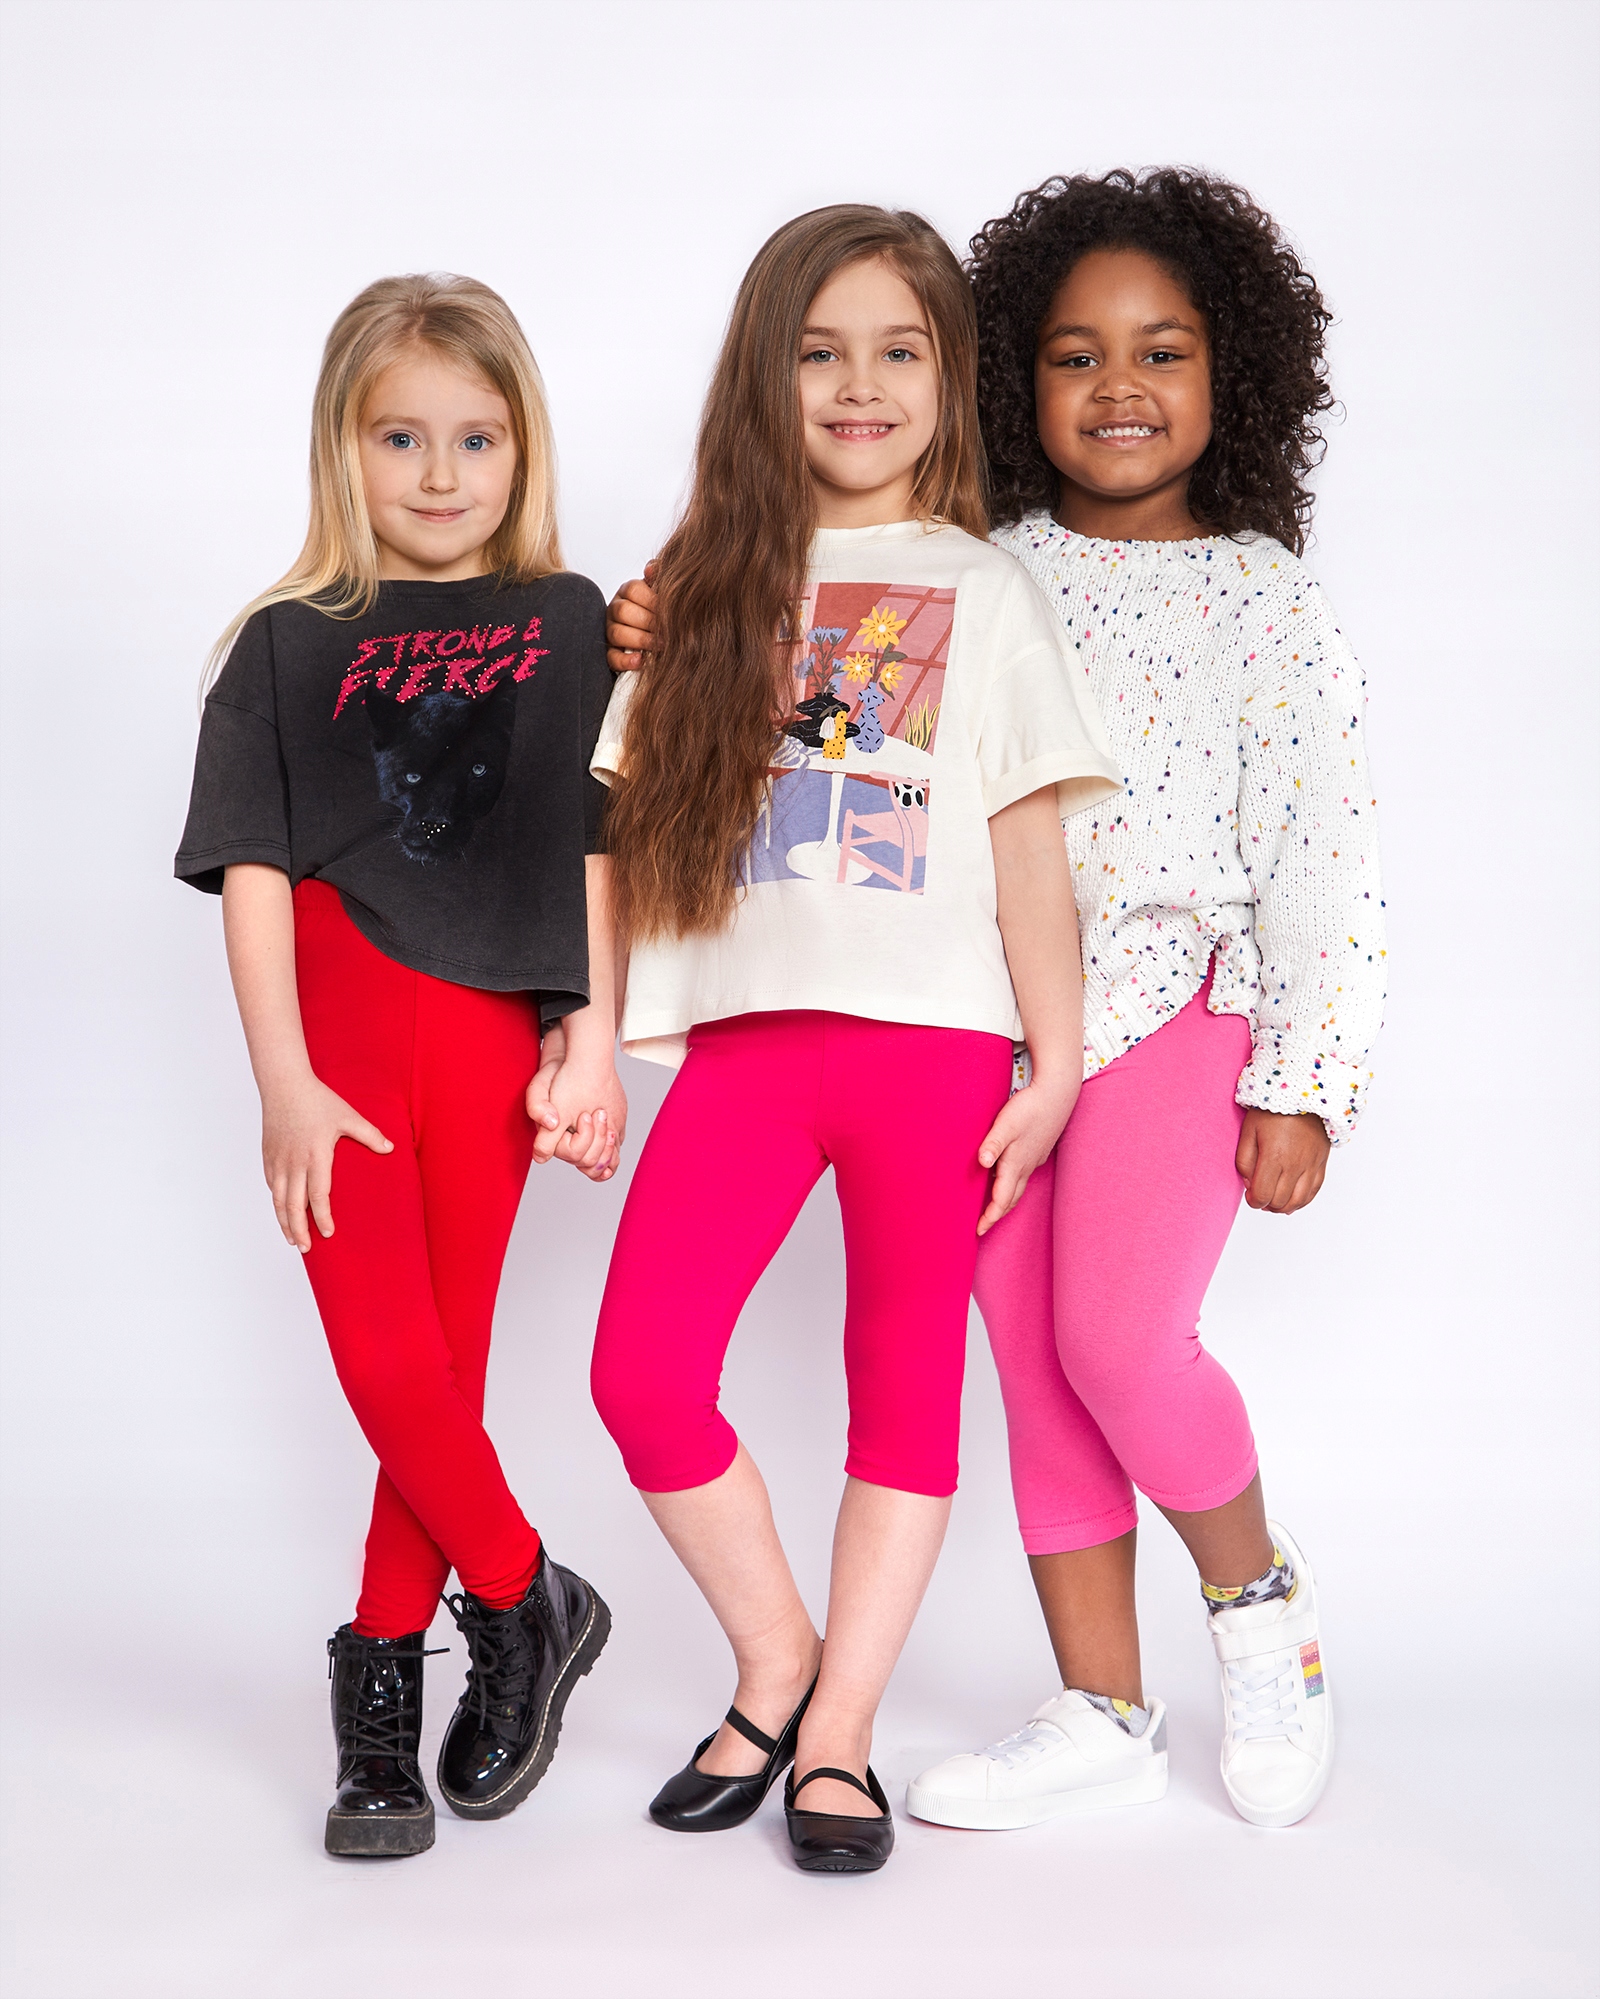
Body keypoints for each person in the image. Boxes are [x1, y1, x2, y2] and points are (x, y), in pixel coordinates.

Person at [605, 169, 1386, 1833]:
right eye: (1074, 355)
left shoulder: (1264, 599)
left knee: (1116, 1339)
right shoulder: (981, 559)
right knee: (1029, 1363)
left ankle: (1259, 1604)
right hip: (993, 1019)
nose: (1118, 387)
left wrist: (1307, 1074)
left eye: (1163, 353)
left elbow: (1322, 852)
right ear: (1014, 381)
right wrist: (656, 619)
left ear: (1234, 376)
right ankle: (1102, 1702)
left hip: (1171, 1000)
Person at [584, 204, 1121, 1875]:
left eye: (899, 349)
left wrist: (1057, 1067)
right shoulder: (695, 591)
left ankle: (840, 1734)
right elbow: (609, 833)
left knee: (902, 1400)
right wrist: (589, 1040)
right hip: (747, 1050)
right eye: (820, 352)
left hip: (934, 1055)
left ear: (949, 378)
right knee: (641, 1373)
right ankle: (775, 1663)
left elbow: (1028, 851)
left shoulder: (989, 591)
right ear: (767, 374)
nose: (860, 383)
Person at [175, 274, 622, 1857]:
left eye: (476, 439)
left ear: (522, 448)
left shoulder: (568, 621)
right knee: (386, 1363)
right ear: (342, 450)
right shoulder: (284, 642)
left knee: (440, 1368)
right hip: (343, 1042)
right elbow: (249, 872)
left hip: (493, 1037)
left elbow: (592, 843)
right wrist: (282, 1080)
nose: (440, 473)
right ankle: (524, 1595)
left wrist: (591, 1034)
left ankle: (383, 1687)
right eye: (401, 438)